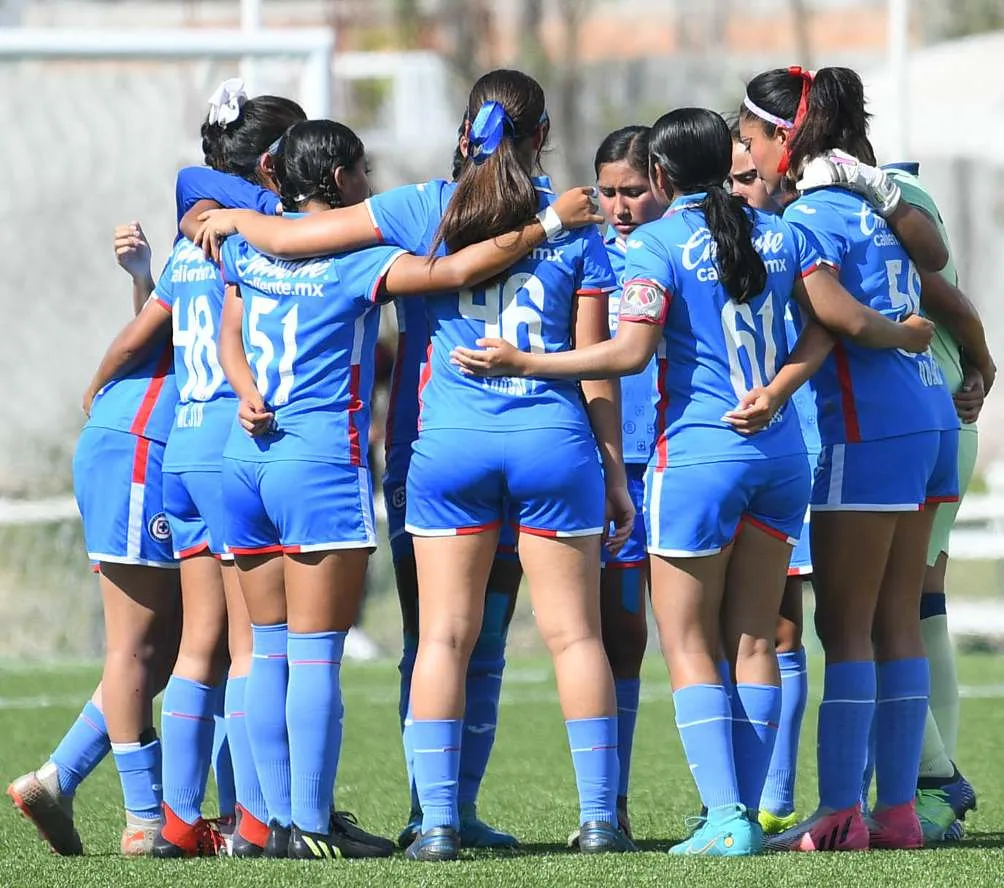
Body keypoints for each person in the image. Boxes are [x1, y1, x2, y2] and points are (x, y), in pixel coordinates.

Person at [451, 106, 934, 857]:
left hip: (698, 459)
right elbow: (828, 321)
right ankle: (747, 808)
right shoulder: (783, 232)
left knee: (686, 643)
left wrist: (527, 364)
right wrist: (777, 389)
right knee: (754, 641)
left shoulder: (656, 243)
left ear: (664, 176)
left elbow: (630, 354)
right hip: (778, 460)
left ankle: (726, 818)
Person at [213, 111, 611, 861]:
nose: (372, 187)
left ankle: (291, 824)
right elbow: (470, 279)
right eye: (362, 173)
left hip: (271, 455)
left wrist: (230, 212)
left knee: (280, 651)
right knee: (331, 652)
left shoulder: (275, 239)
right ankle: (316, 822)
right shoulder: (371, 260)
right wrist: (549, 225)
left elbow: (236, 320)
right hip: (352, 460)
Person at [740, 65, 959, 851]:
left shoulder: (810, 214)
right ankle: (896, 813)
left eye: (751, 134)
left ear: (783, 136)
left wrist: (890, 335)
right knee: (897, 620)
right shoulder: (872, 201)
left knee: (846, 626)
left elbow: (833, 312)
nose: (745, 148)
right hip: (928, 416)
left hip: (868, 430)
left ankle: (839, 811)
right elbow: (932, 259)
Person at [85, 85, 308, 858]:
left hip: (181, 443)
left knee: (199, 646)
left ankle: (177, 820)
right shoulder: (276, 232)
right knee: (252, 647)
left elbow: (190, 190)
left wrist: (98, 386)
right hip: (237, 444)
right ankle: (256, 821)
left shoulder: (192, 239)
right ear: (278, 164)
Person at [6, 225, 181, 858]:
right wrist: (101, 376)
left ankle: (58, 779)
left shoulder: (242, 232)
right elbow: (159, 328)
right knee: (138, 646)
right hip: (142, 446)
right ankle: (146, 822)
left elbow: (172, 321)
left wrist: (143, 278)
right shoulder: (238, 233)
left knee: (170, 648)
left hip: (149, 449)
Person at [880, 162, 993, 842]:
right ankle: (935, 786)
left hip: (912, 423)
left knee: (871, 608)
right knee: (922, 599)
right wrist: (981, 362)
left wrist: (983, 360)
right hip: (942, 418)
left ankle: (935, 779)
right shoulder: (901, 189)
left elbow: (938, 291)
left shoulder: (852, 198)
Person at [729, 125, 813, 835]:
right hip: (735, 447)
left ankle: (774, 794)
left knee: (784, 625)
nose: (738, 191)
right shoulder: (709, 248)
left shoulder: (789, 243)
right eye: (728, 180)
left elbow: (832, 325)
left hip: (795, 443)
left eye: (748, 177)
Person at [584, 124, 665, 840]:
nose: (619, 205)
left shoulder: (683, 251)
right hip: (608, 465)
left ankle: (744, 798)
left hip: (677, 455)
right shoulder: (588, 251)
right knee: (616, 631)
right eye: (607, 191)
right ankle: (609, 799)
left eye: (632, 190)